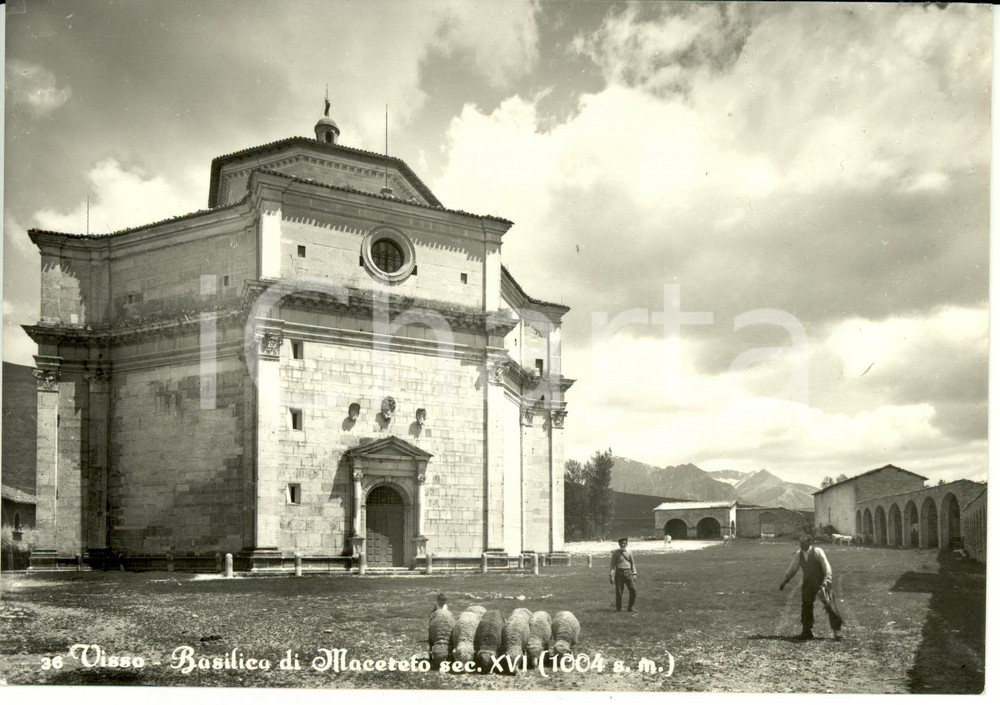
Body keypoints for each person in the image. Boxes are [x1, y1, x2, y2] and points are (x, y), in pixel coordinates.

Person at [779, 534, 844, 640]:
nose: (801, 545)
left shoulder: (817, 551)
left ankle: (837, 631)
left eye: (803, 543)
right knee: (806, 606)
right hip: (808, 584)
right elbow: (793, 569)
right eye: (800, 543)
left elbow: (826, 566)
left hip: (821, 582)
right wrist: (785, 581)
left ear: (809, 542)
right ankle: (806, 631)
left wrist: (827, 580)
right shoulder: (799, 554)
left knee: (829, 605)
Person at [609, 537, 638, 613]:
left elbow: (632, 563)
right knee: (619, 592)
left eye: (624, 543)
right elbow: (612, 565)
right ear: (619, 544)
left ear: (627, 544)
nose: (623, 545)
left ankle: (630, 608)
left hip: (628, 573)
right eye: (621, 543)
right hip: (619, 573)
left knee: (633, 590)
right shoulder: (615, 553)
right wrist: (611, 575)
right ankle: (619, 609)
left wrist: (634, 573)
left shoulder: (630, 552)